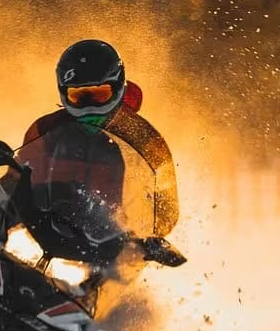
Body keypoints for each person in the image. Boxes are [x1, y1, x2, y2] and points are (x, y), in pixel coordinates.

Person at [22, 39, 179, 239]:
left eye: (100, 94)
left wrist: (147, 239)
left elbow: (166, 207)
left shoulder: (146, 139)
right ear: (64, 93)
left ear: (118, 87)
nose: (90, 106)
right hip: (41, 235)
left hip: (111, 246)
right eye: (79, 96)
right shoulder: (45, 130)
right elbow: (15, 178)